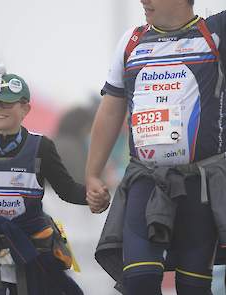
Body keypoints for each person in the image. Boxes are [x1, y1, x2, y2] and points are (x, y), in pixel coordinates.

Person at [85, 1, 226, 295]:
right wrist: (92, 174)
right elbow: (111, 110)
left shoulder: (215, 33)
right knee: (139, 280)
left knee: (193, 288)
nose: (143, 0)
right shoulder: (131, 40)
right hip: (146, 180)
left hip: (199, 185)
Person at [0, 64, 102, 295]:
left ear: (25, 108)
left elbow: (66, 189)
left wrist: (94, 197)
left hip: (32, 249)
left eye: (6, 103)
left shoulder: (41, 147)